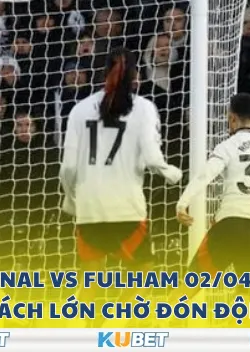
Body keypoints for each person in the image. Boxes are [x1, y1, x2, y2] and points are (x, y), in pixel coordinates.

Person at [60, 47, 182, 310]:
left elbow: (68, 168)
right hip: (126, 206)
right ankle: (118, 322)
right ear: (136, 75)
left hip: (89, 208)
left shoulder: (79, 110)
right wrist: (172, 172)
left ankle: (84, 328)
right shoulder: (144, 108)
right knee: (142, 274)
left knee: (90, 281)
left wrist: (70, 199)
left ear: (102, 72)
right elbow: (152, 159)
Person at [176, 93, 250, 293]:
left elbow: (205, 176)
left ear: (232, 118)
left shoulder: (228, 145)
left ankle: (163, 313)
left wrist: (183, 203)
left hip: (230, 224)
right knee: (244, 292)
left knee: (191, 285)